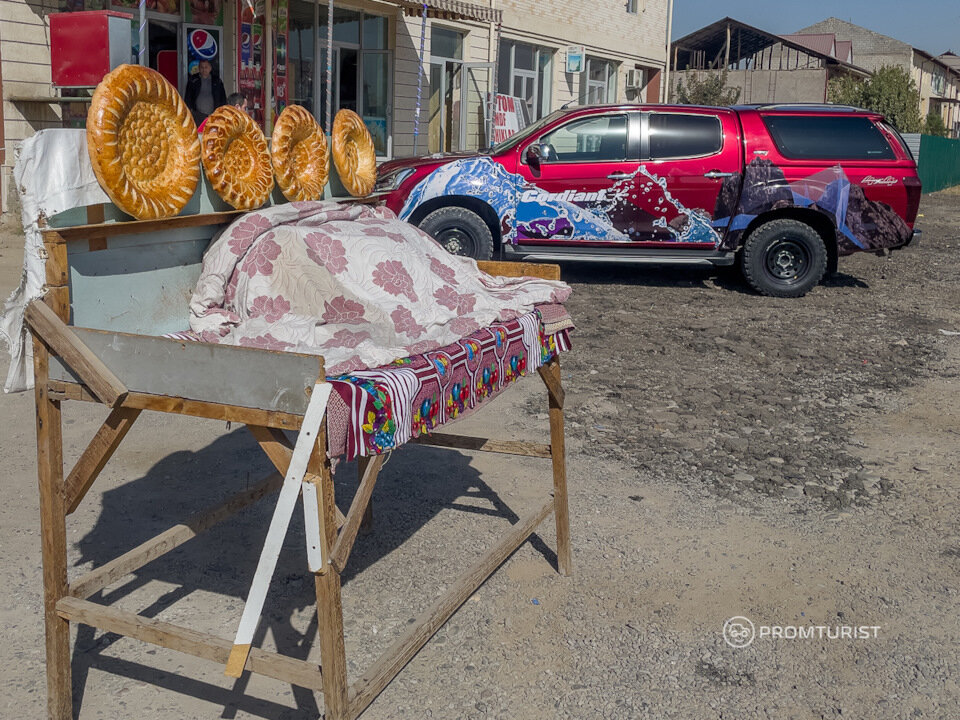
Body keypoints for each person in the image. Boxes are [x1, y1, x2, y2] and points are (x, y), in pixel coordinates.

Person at [184, 60, 226, 126]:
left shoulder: (217, 80)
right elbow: (188, 97)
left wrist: (221, 112)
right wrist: (190, 111)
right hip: (198, 115)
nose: (204, 69)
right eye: (202, 67)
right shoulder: (193, 80)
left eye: (206, 67)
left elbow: (222, 97)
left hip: (214, 114)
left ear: (210, 68)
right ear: (199, 68)